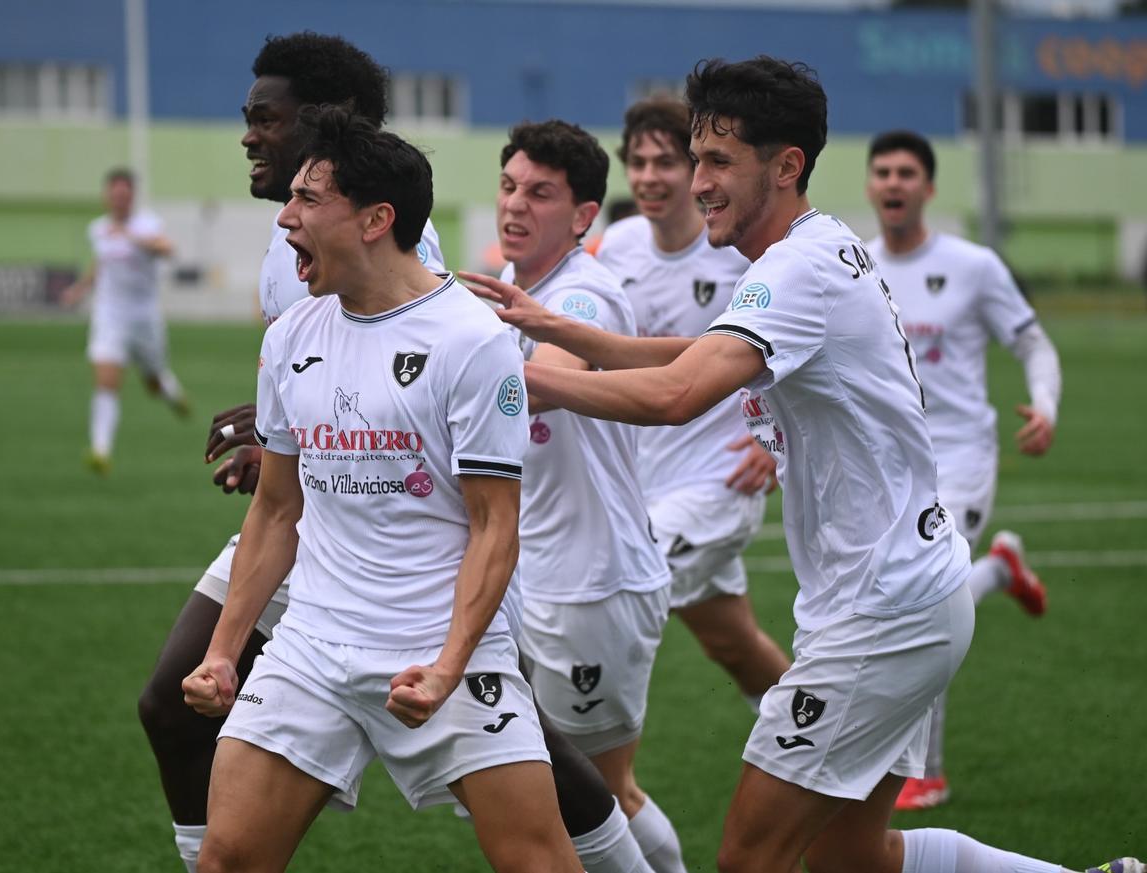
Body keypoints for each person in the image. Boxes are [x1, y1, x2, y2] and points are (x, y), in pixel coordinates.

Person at [464, 56, 1139, 873]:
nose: (695, 183)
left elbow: (680, 392)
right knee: (855, 861)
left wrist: (494, 374)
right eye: (695, 158)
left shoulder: (797, 267)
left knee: (750, 856)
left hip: (882, 614)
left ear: (785, 167)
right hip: (896, 596)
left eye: (717, 162)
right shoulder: (810, 253)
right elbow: (698, 351)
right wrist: (569, 334)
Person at [141, 33, 651, 873]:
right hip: (313, 640)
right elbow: (276, 507)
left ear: (377, 220)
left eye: (308, 199)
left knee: (540, 857)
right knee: (226, 858)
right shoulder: (295, 331)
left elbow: (495, 526)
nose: (284, 217)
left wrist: (451, 664)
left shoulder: (469, 341)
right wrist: (226, 651)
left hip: (435, 644)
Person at [135, 33, 443, 873]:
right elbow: (320, 374)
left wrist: (302, 443)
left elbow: (410, 390)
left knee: (525, 770)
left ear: (318, 125)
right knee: (172, 702)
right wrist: (275, 439)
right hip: (306, 513)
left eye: (263, 120)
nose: (248, 136)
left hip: (391, 541)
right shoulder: (290, 238)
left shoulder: (397, 247)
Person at [492, 119, 687, 873]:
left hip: (594, 585)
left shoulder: (583, 297)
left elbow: (537, 386)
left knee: (598, 796)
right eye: (509, 186)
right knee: (562, 791)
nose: (515, 204)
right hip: (535, 577)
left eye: (539, 193)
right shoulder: (514, 287)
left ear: (580, 217)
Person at [865, 129, 1062, 810]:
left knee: (924, 593)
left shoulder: (974, 265)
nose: (893, 183)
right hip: (884, 464)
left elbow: (1034, 345)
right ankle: (1003, 568)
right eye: (883, 172)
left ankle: (927, 769)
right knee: (895, 597)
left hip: (960, 457)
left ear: (929, 187)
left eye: (907, 173)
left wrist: (1045, 405)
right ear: (869, 186)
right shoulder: (852, 263)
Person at [597, 95, 790, 710]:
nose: (650, 176)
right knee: (734, 646)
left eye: (667, 162)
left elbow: (795, 345)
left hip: (717, 482)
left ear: (697, 171)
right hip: (642, 480)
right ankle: (831, 745)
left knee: (610, 607)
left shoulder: (739, 250)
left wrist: (774, 443)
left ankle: (587, 785)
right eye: (638, 162)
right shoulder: (619, 245)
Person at [62, 168, 188, 474]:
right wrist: (81, 288)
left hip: (144, 317)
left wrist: (131, 237)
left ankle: (172, 392)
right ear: (107, 196)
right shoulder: (98, 229)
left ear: (131, 196)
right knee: (107, 378)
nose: (119, 200)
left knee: (153, 381)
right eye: (114, 194)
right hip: (109, 314)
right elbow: (100, 263)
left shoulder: (147, 224)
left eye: (124, 194)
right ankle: (100, 450)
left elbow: (166, 248)